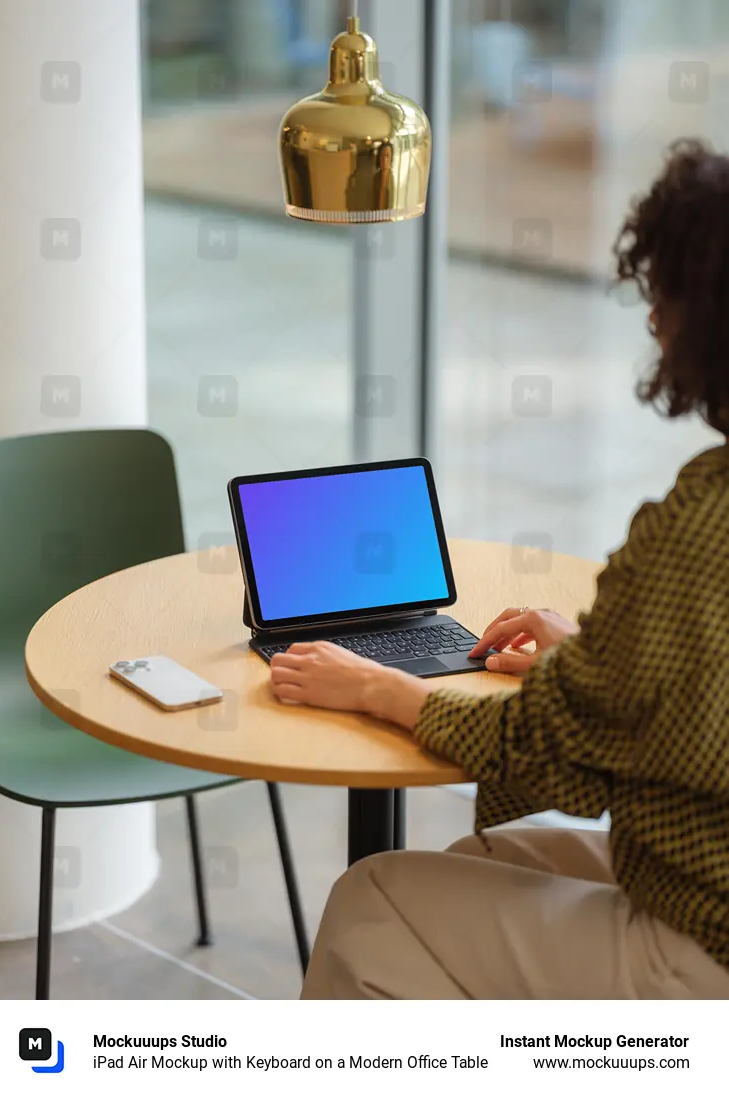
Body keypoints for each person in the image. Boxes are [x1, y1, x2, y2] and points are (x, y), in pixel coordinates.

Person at [270, 138, 729, 999]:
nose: (651, 322)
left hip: (702, 945)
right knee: (482, 860)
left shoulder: (702, 522)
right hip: (697, 883)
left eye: (658, 296)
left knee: (372, 899)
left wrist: (377, 686)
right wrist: (589, 658)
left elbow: (548, 759)